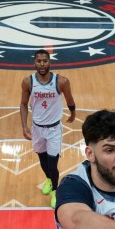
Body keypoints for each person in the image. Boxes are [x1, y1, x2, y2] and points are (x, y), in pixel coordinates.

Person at [20, 49, 76, 210]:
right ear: (34, 63)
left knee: (53, 165)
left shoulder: (61, 82)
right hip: (37, 129)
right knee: (42, 160)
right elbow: (23, 104)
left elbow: (70, 99)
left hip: (53, 130)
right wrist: (24, 126)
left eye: (45, 61)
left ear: (50, 62)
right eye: (39, 61)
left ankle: (54, 191)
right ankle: (49, 179)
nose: (42, 64)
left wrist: (73, 113)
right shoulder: (28, 82)